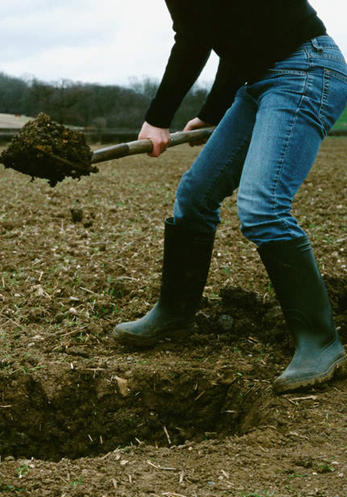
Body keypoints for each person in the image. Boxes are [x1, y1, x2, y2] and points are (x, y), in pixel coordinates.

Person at [112, 1, 347, 393]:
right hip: (258, 80)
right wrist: (211, 112)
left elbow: (194, 39)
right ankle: (174, 313)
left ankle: (320, 341)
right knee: (195, 195)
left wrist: (158, 117)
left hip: (306, 70)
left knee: (263, 207)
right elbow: (232, 34)